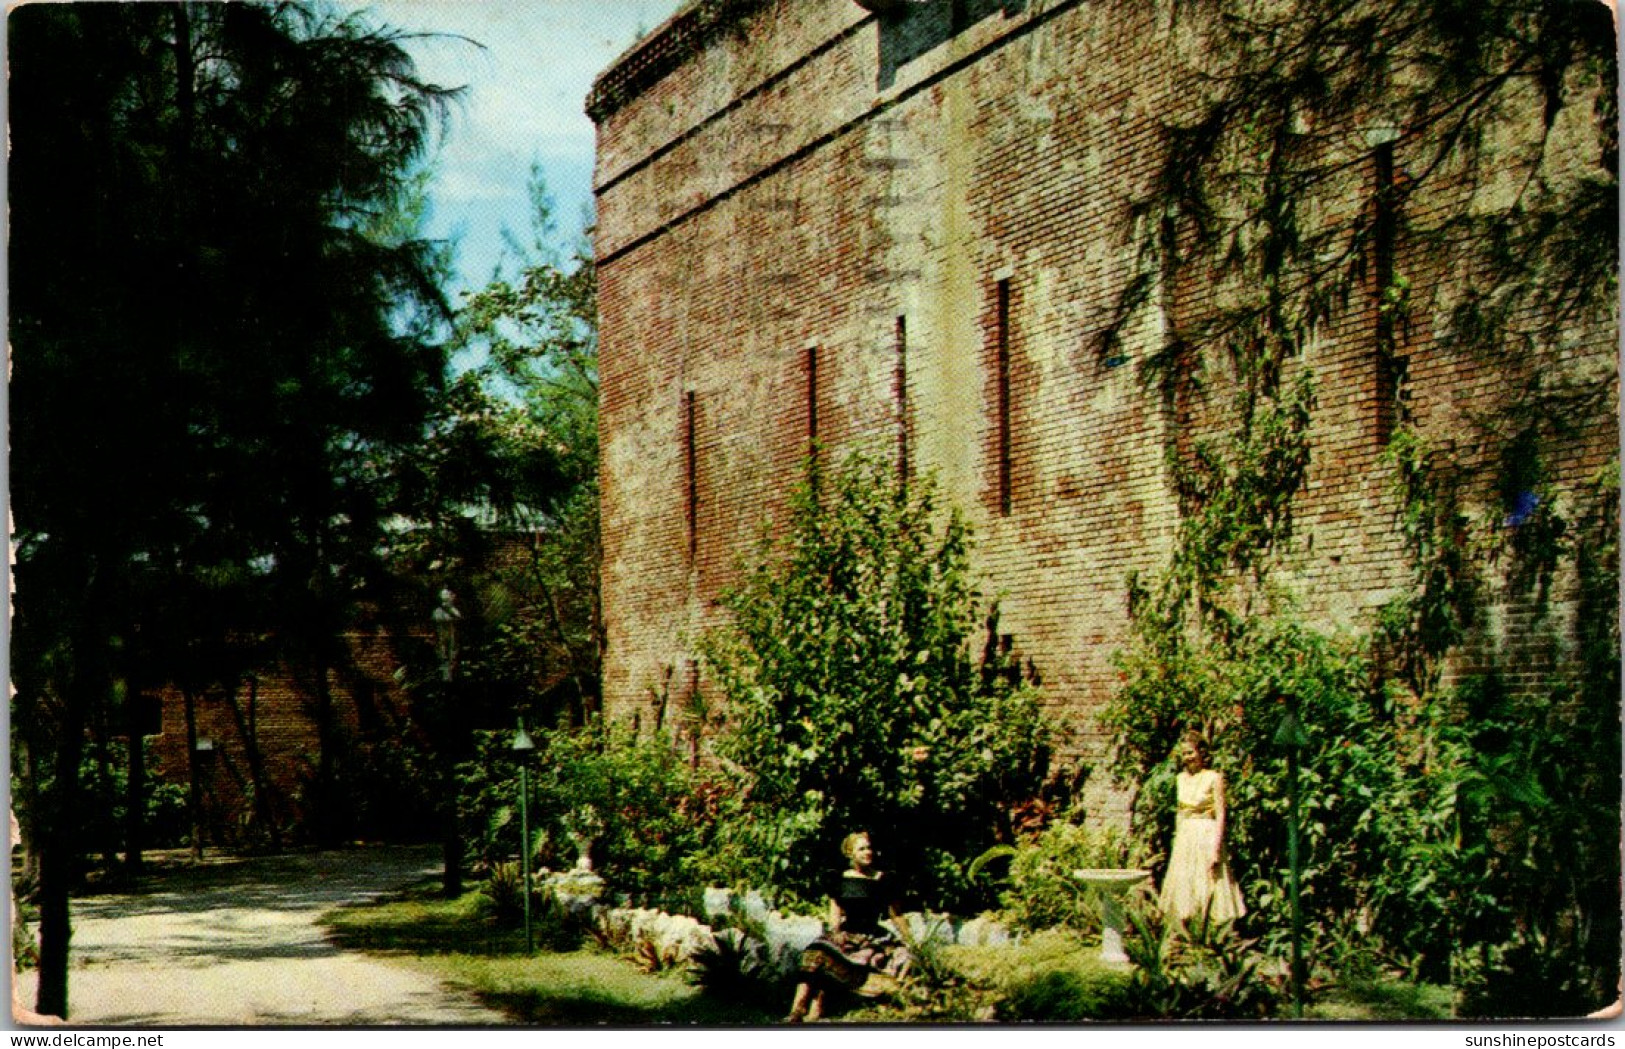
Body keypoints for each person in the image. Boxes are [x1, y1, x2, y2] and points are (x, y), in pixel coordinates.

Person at [785, 831, 910, 1023]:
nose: (868, 852)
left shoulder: (884, 880)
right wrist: (835, 934)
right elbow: (835, 912)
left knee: (900, 961)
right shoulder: (839, 879)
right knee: (815, 952)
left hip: (871, 935)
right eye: (862, 849)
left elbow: (896, 914)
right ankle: (798, 1008)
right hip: (846, 931)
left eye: (869, 848)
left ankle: (816, 1009)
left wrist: (910, 941)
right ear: (850, 853)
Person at [1158, 731, 1245, 928]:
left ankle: (1211, 930)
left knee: (1207, 881)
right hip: (1186, 835)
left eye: (1190, 752)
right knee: (1185, 882)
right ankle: (1187, 931)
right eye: (1184, 753)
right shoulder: (1180, 778)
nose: (1187, 757)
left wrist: (1216, 847)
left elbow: (1221, 814)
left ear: (1201, 752)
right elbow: (1180, 812)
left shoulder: (1214, 778)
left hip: (1206, 832)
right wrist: (1177, 840)